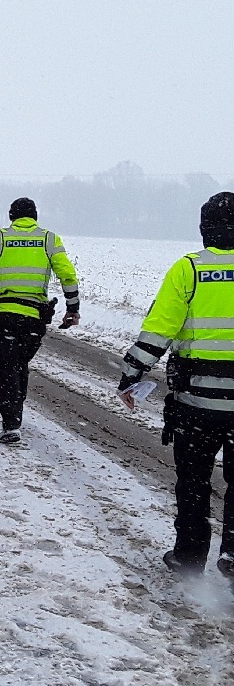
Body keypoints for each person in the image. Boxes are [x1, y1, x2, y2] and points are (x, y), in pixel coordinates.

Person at [116, 192, 234, 579]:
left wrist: (132, 372)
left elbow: (159, 330)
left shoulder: (189, 270)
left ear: (204, 230)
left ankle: (189, 557)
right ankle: (233, 554)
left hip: (195, 404)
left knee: (194, 481)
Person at [0, 197, 80, 443]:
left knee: (8, 368)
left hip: (4, 315)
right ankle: (14, 415)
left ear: (11, 217)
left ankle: (11, 424)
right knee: (20, 364)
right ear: (35, 217)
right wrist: (73, 308)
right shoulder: (49, 239)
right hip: (34, 317)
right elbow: (68, 275)